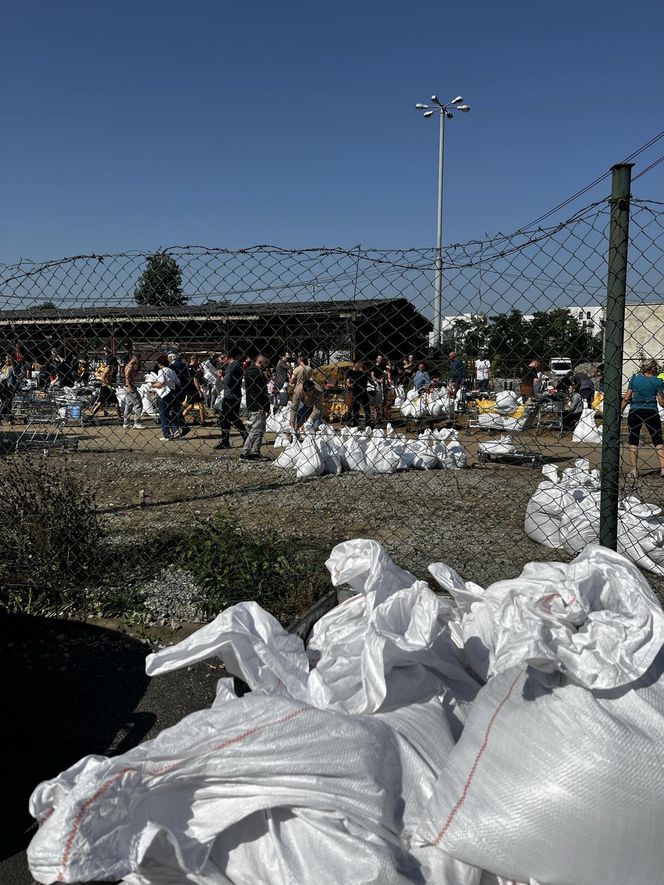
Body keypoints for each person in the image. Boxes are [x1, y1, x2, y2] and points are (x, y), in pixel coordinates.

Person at [620, 358, 664, 479]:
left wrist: (621, 409)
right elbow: (661, 402)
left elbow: (627, 397)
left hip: (635, 410)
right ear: (654, 368)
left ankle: (634, 470)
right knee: (658, 440)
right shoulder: (658, 381)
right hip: (651, 411)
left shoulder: (634, 379)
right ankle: (663, 468)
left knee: (633, 440)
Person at [215, 351, 247, 450]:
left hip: (230, 396)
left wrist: (220, 376)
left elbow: (227, 381)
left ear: (227, 357)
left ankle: (226, 441)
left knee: (225, 419)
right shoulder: (237, 365)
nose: (221, 360)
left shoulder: (231, 365)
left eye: (222, 358)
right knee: (232, 418)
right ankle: (245, 438)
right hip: (235, 395)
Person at [240, 354, 270, 461]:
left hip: (258, 404)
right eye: (265, 364)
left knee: (259, 430)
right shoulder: (254, 372)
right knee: (256, 429)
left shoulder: (255, 371)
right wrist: (260, 405)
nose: (266, 366)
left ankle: (255, 452)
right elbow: (255, 391)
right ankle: (245, 452)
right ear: (260, 362)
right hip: (257, 405)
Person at [151, 354, 179, 441]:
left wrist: (153, 385)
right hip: (173, 392)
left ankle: (167, 435)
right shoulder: (172, 371)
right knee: (170, 413)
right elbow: (178, 382)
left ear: (160, 364)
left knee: (163, 414)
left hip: (164, 394)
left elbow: (161, 383)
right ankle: (175, 430)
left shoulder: (161, 371)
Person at [90, 352, 122, 420]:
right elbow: (103, 377)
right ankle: (120, 417)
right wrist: (109, 386)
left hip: (105, 387)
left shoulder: (109, 368)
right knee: (115, 402)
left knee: (101, 403)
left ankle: (92, 415)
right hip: (106, 388)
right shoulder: (109, 368)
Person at [166, 351, 190, 436]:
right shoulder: (182, 364)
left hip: (176, 389)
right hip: (182, 389)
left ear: (171, 357)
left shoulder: (174, 366)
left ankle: (179, 427)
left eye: (168, 357)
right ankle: (182, 427)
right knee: (175, 409)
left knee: (173, 409)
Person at [345, 359, 372, 428]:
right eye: (358, 363)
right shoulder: (350, 372)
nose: (359, 365)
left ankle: (368, 424)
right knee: (355, 408)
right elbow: (347, 381)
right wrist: (349, 385)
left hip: (363, 391)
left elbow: (369, 379)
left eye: (360, 363)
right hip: (355, 392)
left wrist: (363, 371)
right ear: (354, 364)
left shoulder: (363, 372)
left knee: (366, 408)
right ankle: (355, 424)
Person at [122, 351, 145, 429]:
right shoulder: (130, 366)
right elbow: (127, 377)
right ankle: (136, 422)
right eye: (139, 360)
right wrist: (130, 388)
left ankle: (126, 423)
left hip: (128, 386)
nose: (140, 361)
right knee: (138, 403)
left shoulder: (131, 365)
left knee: (129, 405)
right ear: (136, 358)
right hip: (130, 387)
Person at [182, 355, 206, 426]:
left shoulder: (186, 367)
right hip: (194, 388)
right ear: (195, 360)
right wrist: (199, 391)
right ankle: (202, 421)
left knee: (191, 405)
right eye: (198, 360)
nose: (198, 362)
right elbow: (195, 380)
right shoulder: (193, 369)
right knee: (201, 404)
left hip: (188, 388)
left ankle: (180, 418)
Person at [0, 356, 18, 421]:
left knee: (5, 401)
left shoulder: (3, 368)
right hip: (6, 386)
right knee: (7, 401)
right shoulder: (10, 368)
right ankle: (5, 415)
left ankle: (8, 416)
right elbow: (13, 375)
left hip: (3, 386)